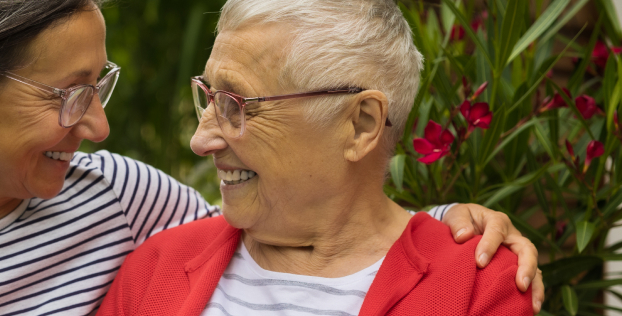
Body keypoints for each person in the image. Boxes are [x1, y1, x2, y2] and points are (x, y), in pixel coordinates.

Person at [0, 0, 542, 315]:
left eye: (98, 86)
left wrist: (449, 230)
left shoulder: (119, 200)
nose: (98, 127)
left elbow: (323, 222)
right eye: (67, 94)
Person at [97, 0, 536, 315]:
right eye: (209, 97)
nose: (201, 140)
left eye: (236, 104)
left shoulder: (479, 289)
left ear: (361, 125)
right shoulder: (156, 268)